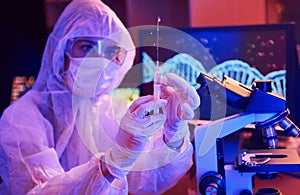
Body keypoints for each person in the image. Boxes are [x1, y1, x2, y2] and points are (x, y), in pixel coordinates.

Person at [0, 0, 200, 194]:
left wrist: (172, 137)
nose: (98, 60)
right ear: (61, 51)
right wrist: (112, 164)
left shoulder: (110, 110)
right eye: (87, 47)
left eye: (110, 51)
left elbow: (146, 181)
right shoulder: (20, 119)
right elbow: (38, 191)